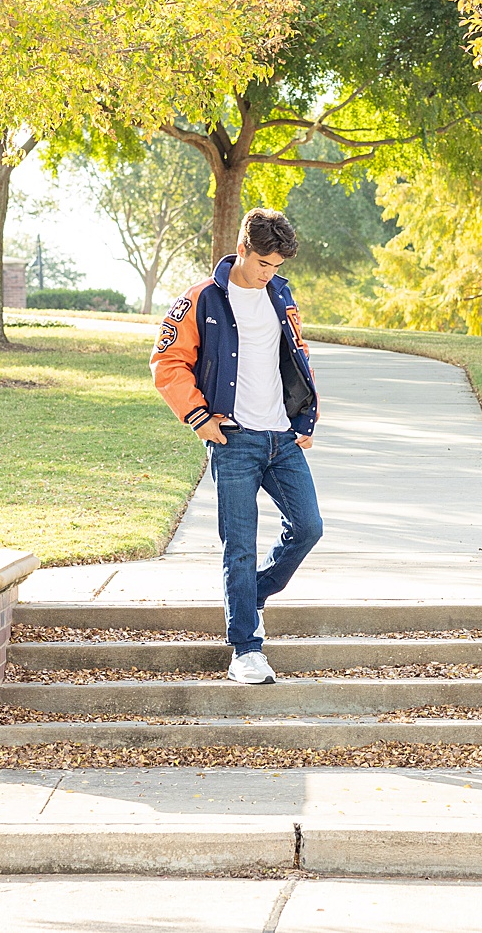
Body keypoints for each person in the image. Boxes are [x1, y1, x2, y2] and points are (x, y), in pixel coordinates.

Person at [150, 208, 322, 685]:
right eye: (263, 263)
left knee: (308, 527)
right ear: (242, 249)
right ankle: (245, 650)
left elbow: (297, 356)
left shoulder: (281, 294)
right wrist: (198, 417)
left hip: (281, 437)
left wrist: (305, 415)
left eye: (277, 266)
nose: (269, 273)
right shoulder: (201, 298)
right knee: (240, 547)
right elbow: (167, 362)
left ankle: (249, 595)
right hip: (234, 440)